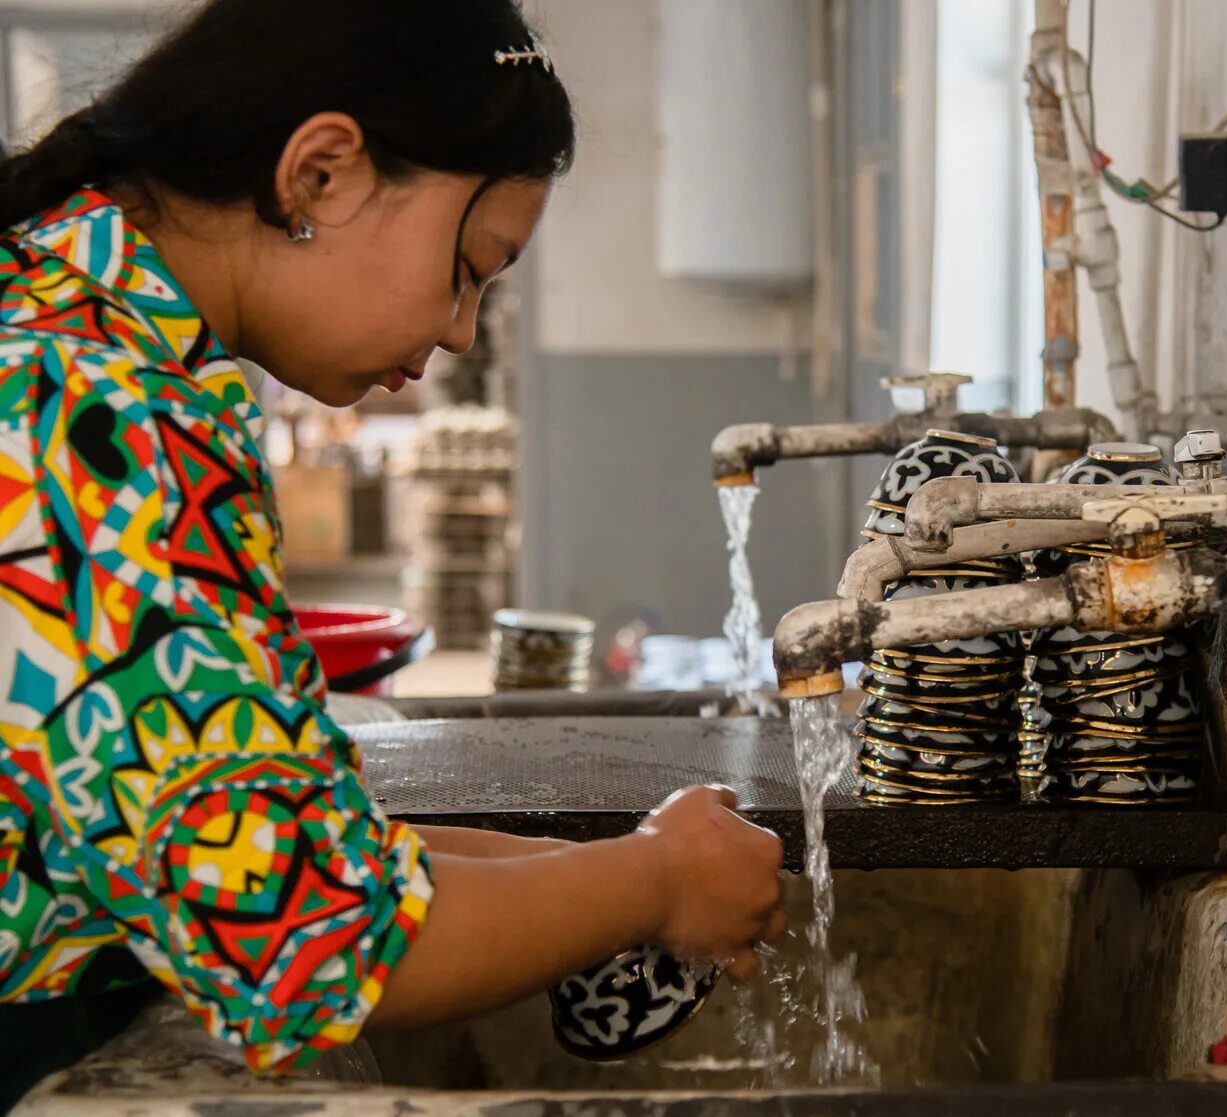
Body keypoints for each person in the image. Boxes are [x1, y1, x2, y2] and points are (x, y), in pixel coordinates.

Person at [0, 1, 785, 1105]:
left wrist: (612, 874)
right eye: (469, 265)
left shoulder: (59, 329)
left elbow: (237, 822)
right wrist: (650, 883)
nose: (463, 327)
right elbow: (307, 941)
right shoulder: (94, 420)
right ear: (321, 174)